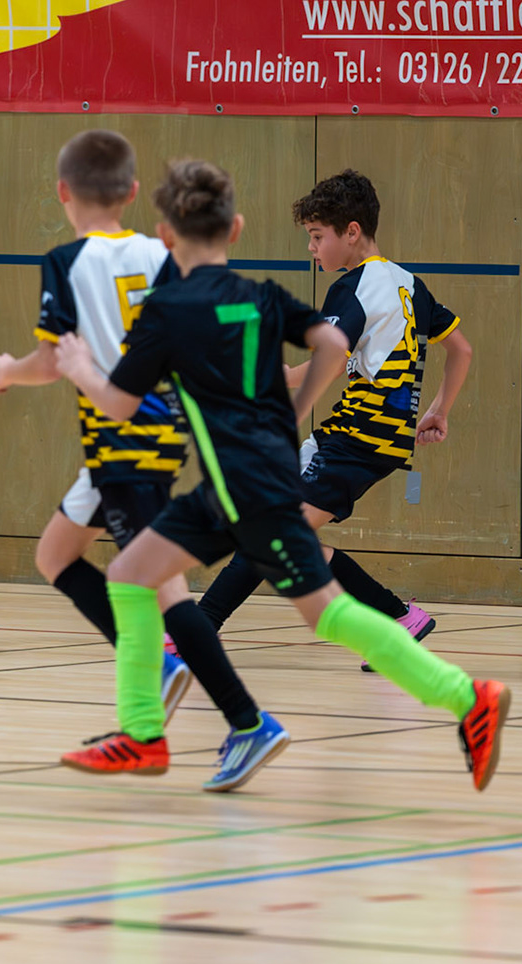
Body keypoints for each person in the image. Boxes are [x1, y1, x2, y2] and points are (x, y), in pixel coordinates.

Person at [51, 158, 510, 791]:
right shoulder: (265, 295)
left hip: (252, 475)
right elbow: (336, 347)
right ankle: (463, 696)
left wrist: (78, 365)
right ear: (236, 229)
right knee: (320, 608)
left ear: (164, 237)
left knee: (133, 576)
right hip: (274, 467)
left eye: (317, 237)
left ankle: (151, 733)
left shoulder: (174, 308)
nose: (313, 248)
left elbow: (122, 403)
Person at [0, 130, 285, 790]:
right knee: (56, 555)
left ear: (63, 192)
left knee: (163, 586)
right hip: (155, 434)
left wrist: (6, 371)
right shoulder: (161, 252)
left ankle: (244, 720)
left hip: (123, 442)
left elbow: (51, 360)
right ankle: (157, 671)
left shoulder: (66, 260)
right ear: (131, 191)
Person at [195, 170, 475, 673]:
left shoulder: (352, 289)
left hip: (356, 439)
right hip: (376, 440)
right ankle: (398, 618)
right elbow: (461, 349)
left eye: (316, 236)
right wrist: (438, 410)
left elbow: (327, 363)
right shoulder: (410, 286)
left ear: (351, 231)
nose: (311, 248)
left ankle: (197, 630)